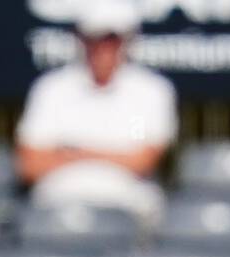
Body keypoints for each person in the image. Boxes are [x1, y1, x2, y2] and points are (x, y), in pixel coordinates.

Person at [14, 0, 178, 231]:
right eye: (95, 38)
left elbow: (142, 161)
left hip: (129, 203)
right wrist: (113, 156)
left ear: (128, 39)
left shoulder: (151, 91)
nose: (103, 48)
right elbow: (30, 165)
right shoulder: (50, 89)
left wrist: (72, 153)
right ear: (81, 39)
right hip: (58, 201)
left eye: (112, 38)